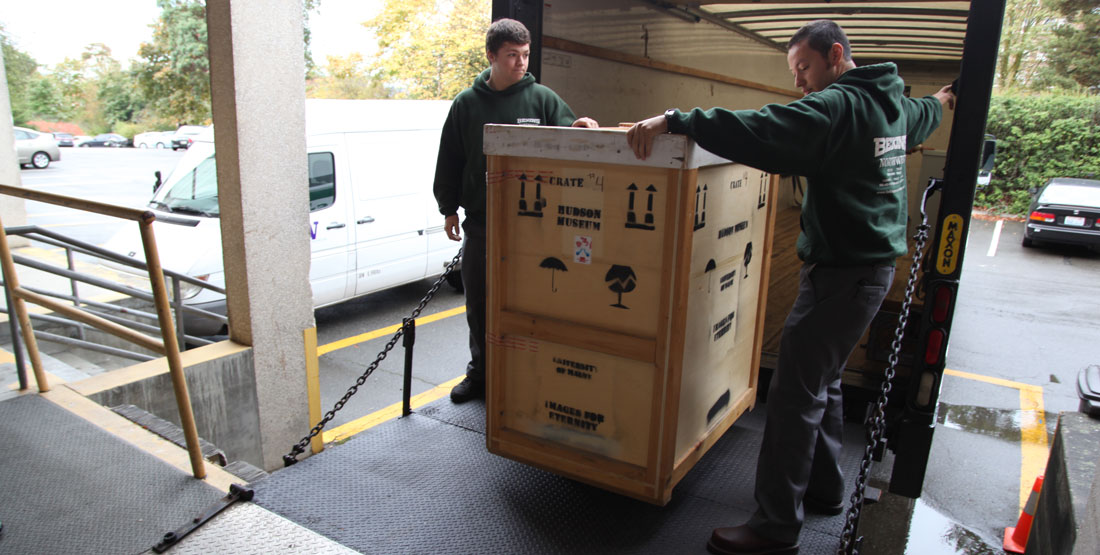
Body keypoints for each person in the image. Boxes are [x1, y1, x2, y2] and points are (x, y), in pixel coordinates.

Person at [627, 19, 955, 555]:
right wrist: (944, 97)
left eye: (804, 67)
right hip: (866, 274)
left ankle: (775, 527)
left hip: (843, 275)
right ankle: (825, 489)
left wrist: (674, 120)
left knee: (792, 395)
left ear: (835, 55)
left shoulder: (838, 106)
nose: (800, 81)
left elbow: (765, 127)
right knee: (821, 382)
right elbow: (928, 114)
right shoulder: (895, 103)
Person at [434, 18, 597, 404]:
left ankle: (527, 371)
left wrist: (580, 125)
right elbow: (450, 159)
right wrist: (448, 208)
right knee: (480, 302)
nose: (520, 63)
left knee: (533, 301)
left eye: (524, 55)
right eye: (511, 56)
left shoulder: (541, 98)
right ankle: (482, 374)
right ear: (492, 56)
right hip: (484, 224)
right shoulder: (467, 104)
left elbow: (568, 134)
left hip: (535, 226)